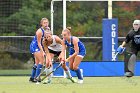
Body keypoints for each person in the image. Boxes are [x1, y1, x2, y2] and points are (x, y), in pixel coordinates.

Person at [29, 18, 49, 82]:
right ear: (41, 24)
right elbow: (38, 42)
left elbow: (44, 41)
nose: (46, 24)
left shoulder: (46, 30)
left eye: (47, 23)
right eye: (44, 23)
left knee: (37, 63)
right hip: (35, 46)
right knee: (42, 60)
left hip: (38, 46)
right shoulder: (39, 31)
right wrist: (42, 51)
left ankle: (32, 78)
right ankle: (37, 78)